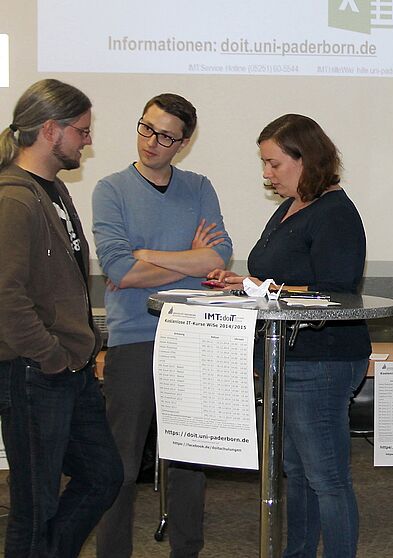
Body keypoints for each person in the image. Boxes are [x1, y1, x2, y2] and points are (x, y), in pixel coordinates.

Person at [207, 114, 370, 558]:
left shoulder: (335, 213)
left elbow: (335, 289)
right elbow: (274, 276)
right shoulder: (288, 208)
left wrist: (262, 287)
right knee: (296, 473)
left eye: (274, 163)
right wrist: (241, 282)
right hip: (289, 357)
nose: (267, 174)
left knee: (327, 478)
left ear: (307, 159)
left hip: (322, 359)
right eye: (264, 164)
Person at [91, 93, 233, 558]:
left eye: (166, 136)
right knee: (122, 464)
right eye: (146, 128)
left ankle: (186, 551)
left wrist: (147, 255)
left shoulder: (198, 187)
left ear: (183, 143)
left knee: (189, 460)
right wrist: (186, 263)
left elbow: (218, 256)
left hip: (193, 336)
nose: (151, 142)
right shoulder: (110, 189)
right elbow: (119, 272)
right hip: (134, 338)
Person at [0, 79, 124, 557]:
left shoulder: (50, 189)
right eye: (82, 130)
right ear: (50, 130)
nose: (87, 140)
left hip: (67, 371)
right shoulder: (14, 197)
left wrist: (77, 352)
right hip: (35, 372)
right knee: (34, 509)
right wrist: (51, 356)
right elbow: (6, 296)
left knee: (103, 476)